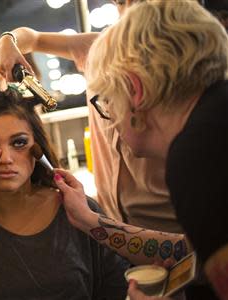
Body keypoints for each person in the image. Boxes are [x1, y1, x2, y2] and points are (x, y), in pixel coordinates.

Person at [53, 1, 228, 299]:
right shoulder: (214, 120)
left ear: (135, 90)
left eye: (107, 98)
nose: (110, 115)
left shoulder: (194, 154)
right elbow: (194, 249)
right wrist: (89, 220)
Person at [0, 0, 183, 237]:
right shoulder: (96, 47)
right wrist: (6, 41)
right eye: (123, 3)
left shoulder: (174, 62)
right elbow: (31, 38)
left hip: (168, 222)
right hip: (108, 222)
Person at [0, 88, 130, 299]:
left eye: (19, 143)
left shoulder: (79, 211)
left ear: (37, 147)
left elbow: (116, 288)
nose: (6, 158)